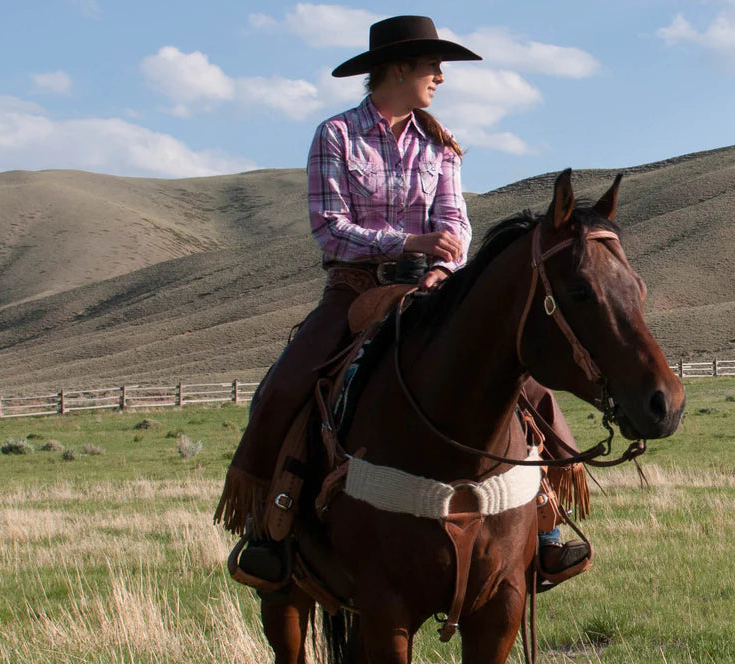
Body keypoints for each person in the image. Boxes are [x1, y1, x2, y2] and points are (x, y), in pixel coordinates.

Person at [215, 15, 590, 583]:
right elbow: (329, 228)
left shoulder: (442, 146)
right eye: (431, 65)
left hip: (432, 290)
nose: (440, 76)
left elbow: (457, 226)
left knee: (528, 381)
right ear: (396, 69)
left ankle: (547, 526)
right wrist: (405, 242)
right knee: (286, 384)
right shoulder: (336, 135)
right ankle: (271, 529)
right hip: (354, 290)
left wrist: (441, 266)